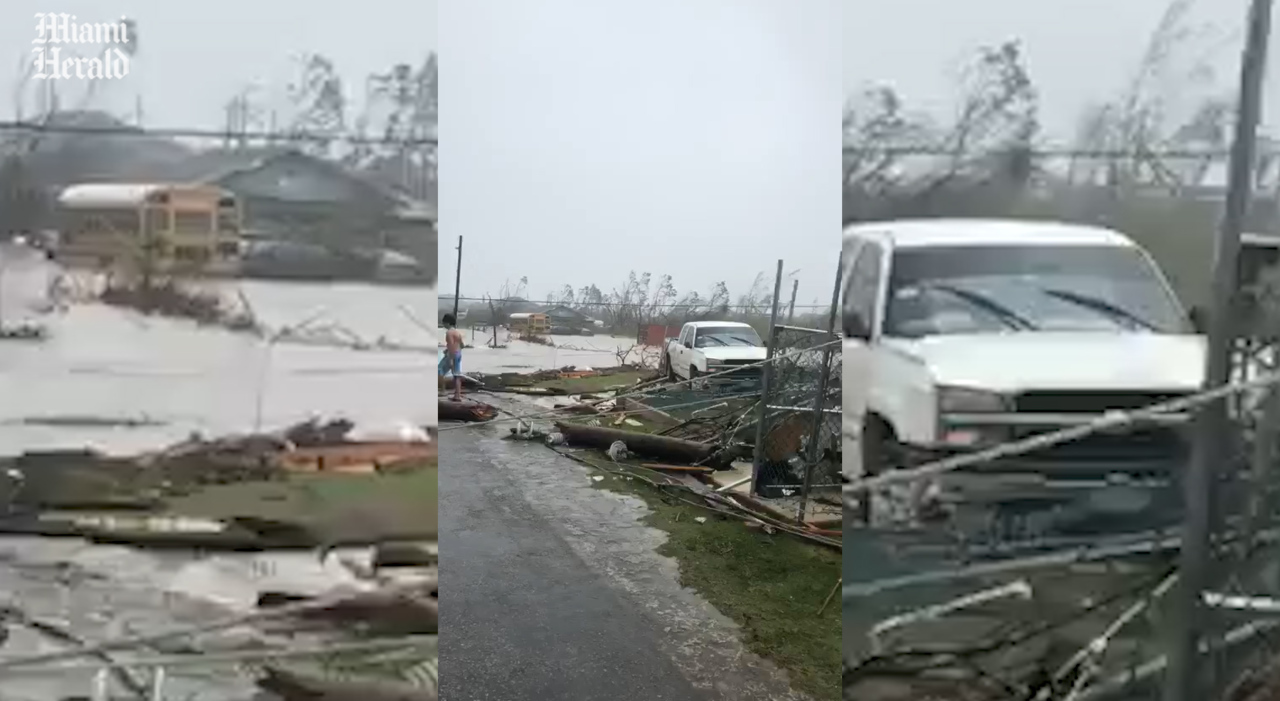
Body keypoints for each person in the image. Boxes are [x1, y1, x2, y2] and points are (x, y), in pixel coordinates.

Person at [439, 313, 464, 401]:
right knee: (457, 375)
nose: (443, 325)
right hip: (458, 354)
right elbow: (462, 345)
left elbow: (451, 345)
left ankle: (443, 390)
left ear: (448, 323)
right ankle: (457, 396)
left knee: (439, 369)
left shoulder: (449, 332)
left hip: (452, 355)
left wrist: (450, 359)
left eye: (444, 323)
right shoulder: (457, 332)